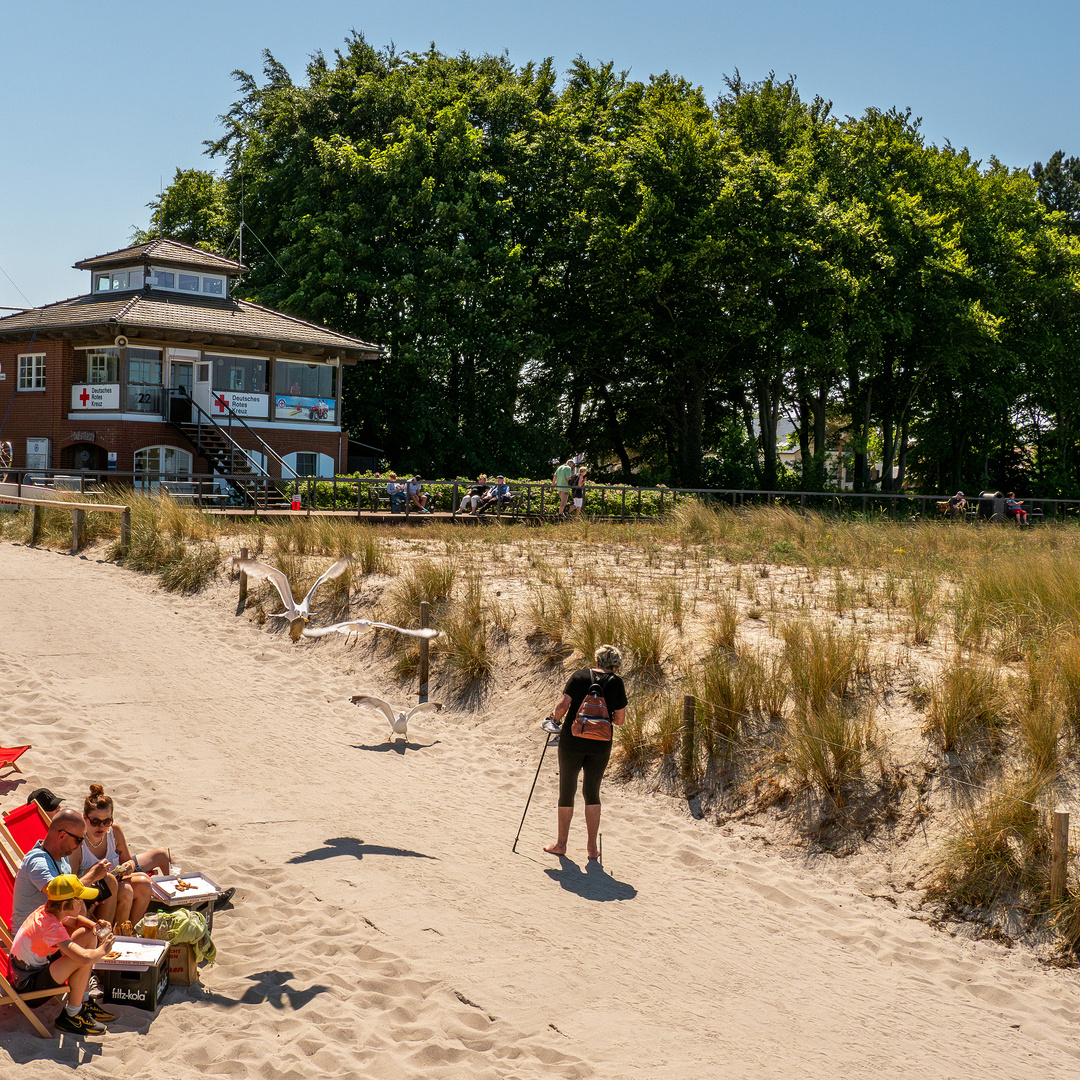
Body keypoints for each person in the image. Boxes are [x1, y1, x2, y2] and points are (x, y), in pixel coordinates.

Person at [543, 644, 628, 861]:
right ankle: (591, 848)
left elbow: (563, 705)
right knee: (592, 793)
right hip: (600, 744)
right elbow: (619, 720)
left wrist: (554, 720)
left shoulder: (580, 676)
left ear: (597, 660)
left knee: (567, 790)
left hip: (572, 741)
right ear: (615, 665)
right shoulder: (617, 683)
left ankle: (561, 844)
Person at [9, 874, 117, 1036]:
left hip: (32, 971)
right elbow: (84, 958)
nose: (82, 904)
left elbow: (74, 921)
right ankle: (72, 1015)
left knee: (87, 934)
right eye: (79, 900)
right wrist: (103, 949)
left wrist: (94, 925)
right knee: (81, 957)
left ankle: (82, 1000)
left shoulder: (46, 912)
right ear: (65, 904)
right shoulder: (51, 927)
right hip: (28, 989)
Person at [70, 783, 169, 927]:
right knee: (126, 891)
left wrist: (129, 866)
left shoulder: (114, 832)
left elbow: (128, 860)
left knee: (144, 882)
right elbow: (73, 881)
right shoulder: (78, 843)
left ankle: (133, 932)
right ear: (85, 818)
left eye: (107, 821)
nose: (102, 827)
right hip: (94, 895)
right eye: (96, 822)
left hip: (117, 881)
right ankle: (117, 935)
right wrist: (93, 873)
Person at [11, 809, 114, 933]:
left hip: (53, 925)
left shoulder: (62, 857)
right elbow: (57, 895)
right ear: (62, 835)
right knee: (86, 933)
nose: (81, 845)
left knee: (108, 885)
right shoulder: (37, 862)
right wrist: (92, 876)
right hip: (33, 935)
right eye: (78, 840)